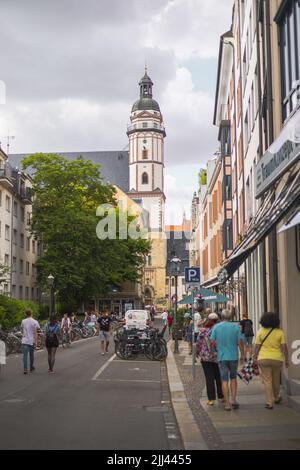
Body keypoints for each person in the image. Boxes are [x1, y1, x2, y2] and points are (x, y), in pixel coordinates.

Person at [253, 312, 289, 410]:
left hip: (263, 358)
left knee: (267, 380)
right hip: (277, 359)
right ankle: (276, 397)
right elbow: (284, 348)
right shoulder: (279, 332)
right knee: (276, 379)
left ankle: (269, 402)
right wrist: (287, 360)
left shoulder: (260, 331)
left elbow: (257, 346)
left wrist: (254, 357)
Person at [211, 309, 244, 411]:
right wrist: (242, 355)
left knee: (224, 380)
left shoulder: (216, 327)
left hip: (222, 357)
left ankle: (227, 403)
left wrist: (214, 352)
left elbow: (212, 342)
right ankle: (234, 400)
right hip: (233, 357)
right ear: (231, 317)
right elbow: (239, 342)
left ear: (221, 316)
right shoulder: (236, 327)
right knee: (233, 378)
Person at [197, 313, 224, 406]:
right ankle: (221, 396)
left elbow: (198, 343)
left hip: (206, 357)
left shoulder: (203, 331)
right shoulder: (220, 330)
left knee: (209, 378)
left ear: (208, 320)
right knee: (219, 377)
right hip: (219, 357)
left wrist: (198, 352)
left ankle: (211, 399)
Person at [20, 308, 40, 374]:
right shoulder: (35, 321)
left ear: (26, 314)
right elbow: (36, 332)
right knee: (31, 355)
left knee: (25, 356)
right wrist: (36, 342)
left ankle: (25, 369)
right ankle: (31, 367)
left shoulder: (23, 321)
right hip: (32, 341)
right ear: (31, 313)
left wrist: (24, 335)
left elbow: (21, 330)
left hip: (25, 340)